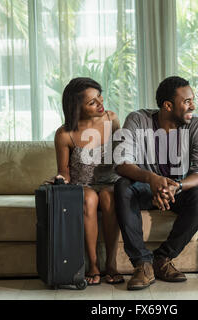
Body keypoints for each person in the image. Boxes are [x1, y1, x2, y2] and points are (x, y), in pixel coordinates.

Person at [114, 76, 198, 290]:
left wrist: (176, 186)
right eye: (186, 101)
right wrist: (152, 179)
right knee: (122, 186)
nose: (193, 106)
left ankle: (162, 259)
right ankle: (142, 264)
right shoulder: (138, 120)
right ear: (168, 106)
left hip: (176, 190)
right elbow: (122, 163)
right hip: (144, 188)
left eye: (192, 100)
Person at [46, 77, 123, 285]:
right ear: (76, 107)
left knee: (109, 197)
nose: (100, 104)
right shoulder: (64, 134)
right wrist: (60, 179)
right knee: (89, 199)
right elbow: (64, 171)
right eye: (92, 102)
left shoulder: (112, 119)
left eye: (99, 96)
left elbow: (122, 156)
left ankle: (112, 265)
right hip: (82, 184)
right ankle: (94, 266)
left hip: (110, 180)